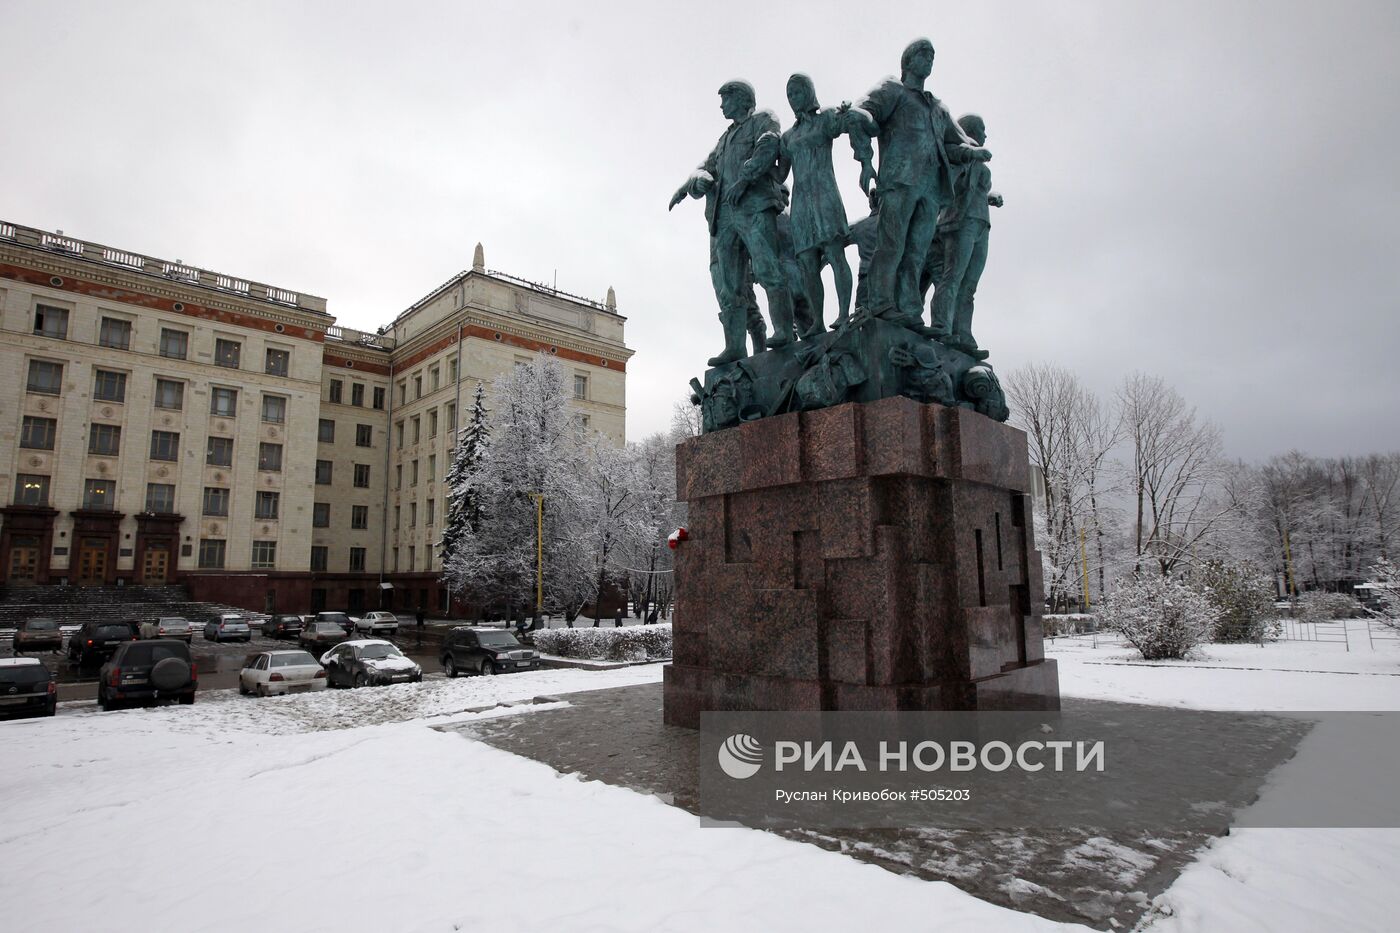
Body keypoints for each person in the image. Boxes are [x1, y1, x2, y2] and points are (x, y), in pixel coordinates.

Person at [850, 38, 990, 333]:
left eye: (932, 56)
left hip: (930, 189)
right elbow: (859, 116)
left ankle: (910, 310)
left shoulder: (938, 109)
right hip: (899, 181)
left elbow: (956, 143)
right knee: (891, 245)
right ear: (908, 61)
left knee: (916, 252)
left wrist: (972, 153)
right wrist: (865, 161)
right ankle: (881, 303)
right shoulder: (892, 91)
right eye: (923, 55)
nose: (929, 60)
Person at [670, 80, 796, 364]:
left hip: (754, 207)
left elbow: (769, 145)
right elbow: (707, 166)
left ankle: (784, 331)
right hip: (725, 217)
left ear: (740, 99)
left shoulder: (763, 120)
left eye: (725, 99)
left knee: (766, 269)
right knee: (730, 285)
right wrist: (692, 184)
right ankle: (735, 346)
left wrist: (746, 178)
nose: (721, 105)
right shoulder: (725, 139)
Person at [779, 73, 873, 333]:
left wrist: (865, 162)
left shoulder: (825, 121)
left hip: (825, 196)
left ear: (809, 93)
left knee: (834, 254)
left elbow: (854, 122)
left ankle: (844, 313)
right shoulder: (787, 138)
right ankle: (817, 322)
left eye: (797, 93)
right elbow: (779, 174)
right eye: (789, 95)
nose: (792, 99)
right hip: (800, 204)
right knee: (808, 264)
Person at [925, 113, 1002, 358]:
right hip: (958, 223)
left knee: (969, 286)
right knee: (953, 278)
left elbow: (975, 191)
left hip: (981, 224)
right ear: (968, 132)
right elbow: (949, 187)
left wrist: (990, 198)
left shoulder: (978, 163)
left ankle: (963, 334)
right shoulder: (955, 158)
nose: (985, 135)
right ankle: (942, 326)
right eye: (981, 129)